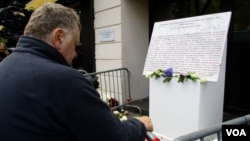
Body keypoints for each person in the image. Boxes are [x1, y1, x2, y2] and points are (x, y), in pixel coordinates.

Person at [0, 3, 153, 141]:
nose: (75, 54)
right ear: (58, 38)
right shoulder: (62, 79)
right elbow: (114, 137)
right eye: (75, 45)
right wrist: (139, 124)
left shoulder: (4, 66)